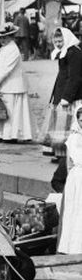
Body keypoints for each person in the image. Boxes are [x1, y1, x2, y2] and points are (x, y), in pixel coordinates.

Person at [0, 23, 33, 142]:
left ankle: (12, 134)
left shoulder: (13, 49)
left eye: (5, 37)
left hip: (13, 84)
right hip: (5, 84)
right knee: (3, 108)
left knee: (11, 110)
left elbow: (6, 70)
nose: (2, 40)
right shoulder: (3, 49)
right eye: (1, 37)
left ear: (11, 37)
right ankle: (1, 133)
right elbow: (1, 69)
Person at [49, 28, 82, 159]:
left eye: (60, 40)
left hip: (72, 97)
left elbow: (75, 77)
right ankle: (61, 154)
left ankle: (69, 155)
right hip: (63, 94)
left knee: (70, 126)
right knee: (62, 126)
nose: (58, 43)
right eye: (56, 41)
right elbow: (61, 77)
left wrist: (67, 97)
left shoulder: (74, 53)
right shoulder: (64, 52)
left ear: (67, 38)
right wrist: (54, 96)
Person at [57, 106, 82, 254]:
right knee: (74, 211)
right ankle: (72, 246)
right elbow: (68, 164)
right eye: (81, 120)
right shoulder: (72, 139)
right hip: (77, 178)